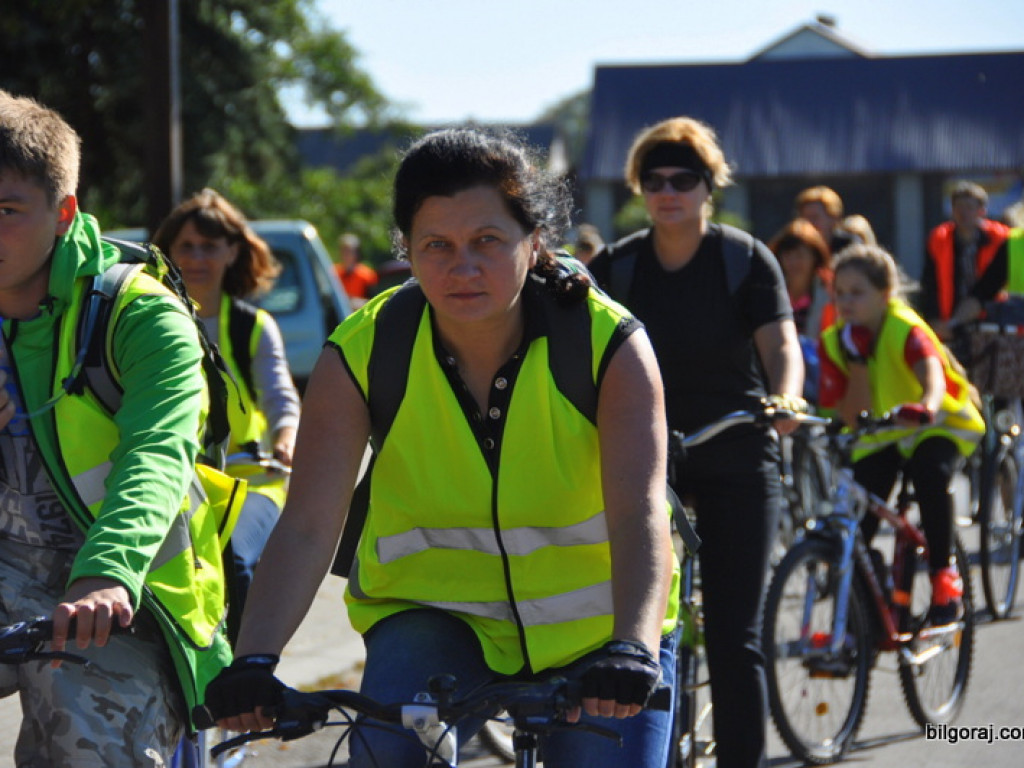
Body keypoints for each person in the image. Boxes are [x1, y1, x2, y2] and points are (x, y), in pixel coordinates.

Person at [203, 127, 679, 768]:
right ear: (406, 249)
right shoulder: (365, 351)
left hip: (604, 630)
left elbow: (638, 513)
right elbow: (311, 522)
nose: (463, 267)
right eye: (437, 246)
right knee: (386, 754)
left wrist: (633, 647)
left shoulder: (606, 344)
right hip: (432, 617)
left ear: (534, 241)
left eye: (487, 240)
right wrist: (255, 658)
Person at [0, 90, 232, 764]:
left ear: (64, 211)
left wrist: (102, 576)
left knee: (93, 744)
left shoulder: (139, 314)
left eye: (5, 211)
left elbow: (157, 453)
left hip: (119, 589)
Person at [588, 116, 805, 768]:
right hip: (650, 465)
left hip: (739, 453)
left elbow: (782, 347)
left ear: (709, 187)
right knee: (640, 631)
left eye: (683, 178)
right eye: (653, 180)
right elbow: (577, 348)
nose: (667, 190)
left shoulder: (744, 259)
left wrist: (786, 396)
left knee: (736, 636)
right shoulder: (619, 266)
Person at [153, 189, 301, 613]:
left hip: (251, 483)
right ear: (167, 254)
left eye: (209, 247)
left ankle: (242, 670)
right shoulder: (146, 320)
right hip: (175, 483)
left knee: (230, 555)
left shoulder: (253, 326)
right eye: (187, 247)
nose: (197, 258)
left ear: (232, 252)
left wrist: (286, 438)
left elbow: (280, 397)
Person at [818, 244, 984, 624]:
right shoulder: (836, 340)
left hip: (938, 424)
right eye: (839, 293)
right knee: (860, 516)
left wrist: (925, 406)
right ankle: (870, 612)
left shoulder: (904, 326)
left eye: (857, 292)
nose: (845, 302)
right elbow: (852, 415)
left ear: (885, 294)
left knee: (930, 474)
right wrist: (857, 357)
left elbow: (933, 375)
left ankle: (945, 577)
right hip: (882, 435)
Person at [920, 181, 1010, 340]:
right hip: (950, 323)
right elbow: (929, 284)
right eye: (958, 207)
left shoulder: (1002, 239)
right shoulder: (939, 239)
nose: (963, 213)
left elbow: (993, 283)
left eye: (969, 207)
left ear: (982, 211)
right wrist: (933, 320)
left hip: (994, 322)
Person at [767, 218, 836, 405]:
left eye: (800, 255)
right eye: (788, 255)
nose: (793, 262)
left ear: (815, 257)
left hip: (822, 381)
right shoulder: (770, 294)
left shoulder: (831, 295)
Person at [794, 185, 861, 256]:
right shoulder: (794, 248)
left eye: (815, 217)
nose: (809, 223)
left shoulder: (850, 246)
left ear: (833, 218)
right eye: (804, 219)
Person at [334, 232, 378, 307]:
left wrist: (356, 302)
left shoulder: (367, 275)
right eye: (343, 250)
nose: (346, 253)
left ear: (356, 253)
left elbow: (373, 302)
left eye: (349, 250)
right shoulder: (333, 272)